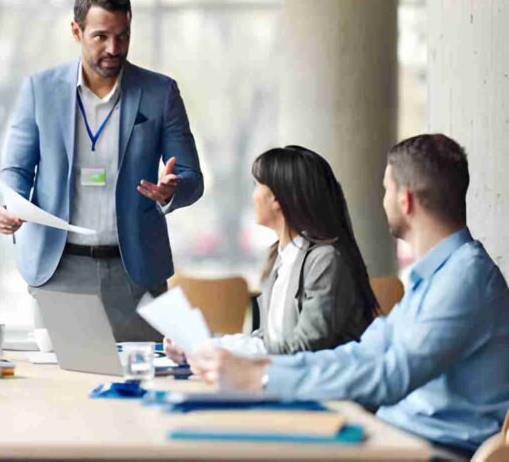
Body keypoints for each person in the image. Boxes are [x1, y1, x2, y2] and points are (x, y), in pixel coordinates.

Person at [189, 134, 509, 456]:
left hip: (436, 450)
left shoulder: (464, 278)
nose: (382, 200)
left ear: (405, 201)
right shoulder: (435, 276)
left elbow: (391, 375)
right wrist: (259, 370)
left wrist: (263, 377)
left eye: (386, 189)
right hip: (398, 437)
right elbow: (361, 354)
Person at [0, 0, 204, 341]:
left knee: (145, 373)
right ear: (76, 31)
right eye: (101, 37)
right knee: (63, 376)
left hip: (136, 271)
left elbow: (191, 176)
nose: (113, 48)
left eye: (122, 36)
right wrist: (12, 206)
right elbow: (16, 168)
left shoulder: (160, 92)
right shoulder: (40, 90)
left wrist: (173, 191)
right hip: (59, 269)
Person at [167, 146, 378, 359]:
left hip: (314, 378)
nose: (253, 195)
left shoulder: (324, 260)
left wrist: (215, 350)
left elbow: (304, 347)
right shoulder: (280, 257)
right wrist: (202, 347)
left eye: (257, 185)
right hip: (282, 375)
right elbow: (268, 340)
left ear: (277, 198)